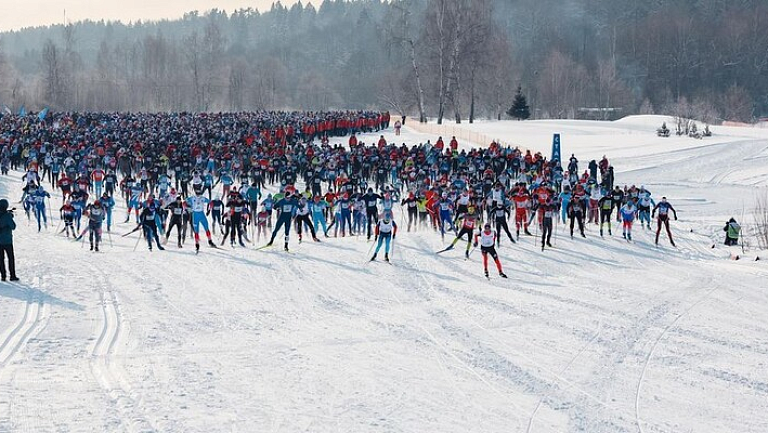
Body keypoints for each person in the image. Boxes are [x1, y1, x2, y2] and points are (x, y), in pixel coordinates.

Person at [0, 199, 18, 282]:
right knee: (10, 258)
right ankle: (12, 275)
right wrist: (10, 216)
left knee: (1, 259)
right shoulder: (7, 216)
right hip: (7, 241)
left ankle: (3, 276)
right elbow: (13, 226)